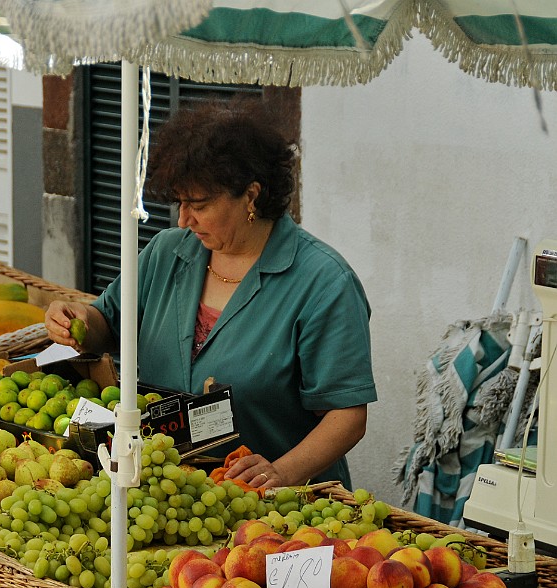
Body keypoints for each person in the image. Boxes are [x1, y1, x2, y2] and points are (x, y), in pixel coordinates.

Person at [45, 96, 376, 490]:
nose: (184, 219)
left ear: (251, 196)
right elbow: (107, 323)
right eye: (181, 203)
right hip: (166, 490)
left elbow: (347, 414)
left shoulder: (323, 282)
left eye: (198, 204)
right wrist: (79, 319)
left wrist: (283, 471)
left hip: (277, 507)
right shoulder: (167, 253)